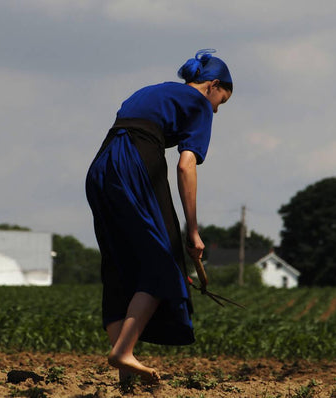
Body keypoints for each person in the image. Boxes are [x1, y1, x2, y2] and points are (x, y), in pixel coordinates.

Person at [85, 49, 232, 383]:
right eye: (220, 102)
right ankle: (123, 352)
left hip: (102, 166)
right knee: (165, 260)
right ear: (212, 85)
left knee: (118, 264)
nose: (215, 111)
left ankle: (126, 373)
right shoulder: (198, 104)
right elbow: (186, 164)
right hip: (136, 163)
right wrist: (192, 231)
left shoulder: (153, 90)